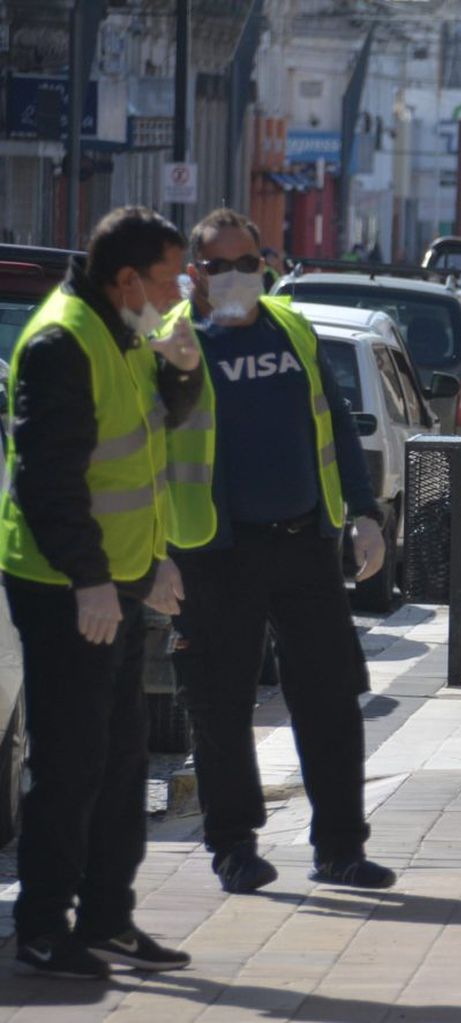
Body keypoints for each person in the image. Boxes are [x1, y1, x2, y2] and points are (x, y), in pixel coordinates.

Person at [164, 208, 395, 894]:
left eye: (246, 262)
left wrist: (363, 512)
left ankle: (340, 848)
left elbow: (335, 423)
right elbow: (141, 452)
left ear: (265, 264)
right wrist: (153, 556)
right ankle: (234, 846)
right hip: (215, 551)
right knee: (220, 705)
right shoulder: (175, 344)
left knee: (330, 699)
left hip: (303, 544)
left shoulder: (291, 327)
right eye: (218, 265)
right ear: (195, 275)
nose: (235, 276)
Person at [0, 206, 202, 977]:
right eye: (167, 277)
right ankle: (45, 926)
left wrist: (180, 364)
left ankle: (109, 917)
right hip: (63, 586)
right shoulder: (62, 341)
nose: (177, 291)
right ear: (126, 280)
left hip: (115, 578)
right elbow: (51, 482)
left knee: (122, 761)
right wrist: (92, 578)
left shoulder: (122, 332)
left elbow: (151, 434)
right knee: (72, 762)